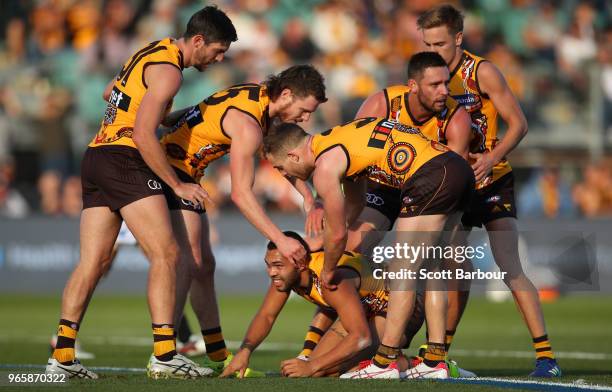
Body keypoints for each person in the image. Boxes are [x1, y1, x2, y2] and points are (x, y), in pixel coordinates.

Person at [46, 6, 237, 380]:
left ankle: (62, 357)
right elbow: (143, 135)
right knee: (167, 254)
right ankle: (166, 355)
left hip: (96, 155)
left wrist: (159, 110)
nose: (219, 58)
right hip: (124, 160)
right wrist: (178, 184)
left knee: (93, 263)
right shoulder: (170, 72)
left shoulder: (151, 51)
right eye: (217, 50)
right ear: (198, 41)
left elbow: (109, 92)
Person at [263, 115, 474, 379]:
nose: (284, 175)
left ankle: (385, 363)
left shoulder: (325, 167)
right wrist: (314, 243)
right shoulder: (338, 140)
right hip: (456, 168)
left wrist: (328, 269)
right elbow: (355, 206)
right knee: (430, 269)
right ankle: (434, 361)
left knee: (402, 271)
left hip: (429, 175)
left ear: (293, 156)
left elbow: (339, 233)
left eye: (280, 168)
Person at [417, 4, 560, 377]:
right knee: (452, 269)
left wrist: (489, 157)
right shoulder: (427, 77)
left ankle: (546, 357)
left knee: (510, 266)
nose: (433, 49)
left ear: (459, 38)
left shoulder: (481, 71)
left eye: (440, 42)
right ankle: (441, 352)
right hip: (454, 185)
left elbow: (519, 124)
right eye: (427, 42)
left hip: (493, 178)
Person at [158, 65, 327, 373]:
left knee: (202, 264)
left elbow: (278, 155)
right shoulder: (249, 122)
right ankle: (164, 354)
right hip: (170, 171)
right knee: (186, 261)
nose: (305, 119)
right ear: (287, 95)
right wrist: (281, 240)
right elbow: (241, 195)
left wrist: (309, 196)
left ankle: (218, 353)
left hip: (184, 172)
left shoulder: (256, 99)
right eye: (304, 111)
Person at [220, 231, 425, 378]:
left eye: (278, 265)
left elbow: (360, 337)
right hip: (368, 309)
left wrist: (311, 365)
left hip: (401, 309)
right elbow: (267, 315)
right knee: (319, 371)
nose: (271, 272)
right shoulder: (286, 276)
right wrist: (244, 352)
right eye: (269, 265)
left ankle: (415, 364)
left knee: (336, 370)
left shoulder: (330, 279)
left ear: (300, 263)